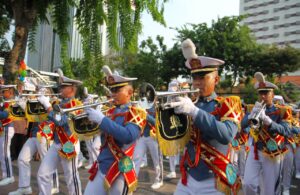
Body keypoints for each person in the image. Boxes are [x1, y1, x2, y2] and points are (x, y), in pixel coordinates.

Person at [171, 39, 242, 194]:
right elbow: (172, 136)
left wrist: (194, 112)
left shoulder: (228, 103)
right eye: (195, 77)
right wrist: (169, 106)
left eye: (203, 77)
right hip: (188, 177)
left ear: (216, 79)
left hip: (214, 180)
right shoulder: (189, 102)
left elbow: (227, 135)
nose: (197, 83)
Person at [84, 65, 147, 195]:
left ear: (130, 92)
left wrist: (101, 120)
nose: (113, 94)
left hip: (120, 169)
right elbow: (91, 133)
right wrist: (87, 117)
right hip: (102, 166)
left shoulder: (136, 112)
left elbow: (128, 136)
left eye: (118, 90)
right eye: (112, 90)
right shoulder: (109, 111)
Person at [242, 72, 292, 195]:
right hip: (255, 150)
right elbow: (242, 125)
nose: (263, 96)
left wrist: (269, 122)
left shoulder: (282, 111)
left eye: (266, 93)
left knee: (270, 190)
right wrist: (251, 115)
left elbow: (286, 131)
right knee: (248, 183)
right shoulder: (252, 108)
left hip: (273, 153)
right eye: (261, 93)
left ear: (272, 94)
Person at [37, 69, 82, 195]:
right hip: (56, 142)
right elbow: (47, 118)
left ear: (72, 89)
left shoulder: (76, 104)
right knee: (43, 174)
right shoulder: (59, 103)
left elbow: (61, 121)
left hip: (69, 143)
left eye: (63, 87)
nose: (60, 89)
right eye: (60, 86)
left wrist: (48, 106)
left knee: (71, 178)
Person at [9, 85, 59, 195]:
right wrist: (23, 105)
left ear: (48, 93)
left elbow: (56, 117)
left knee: (47, 161)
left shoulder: (54, 103)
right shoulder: (36, 103)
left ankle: (54, 185)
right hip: (34, 134)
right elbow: (31, 118)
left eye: (42, 91)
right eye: (38, 91)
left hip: (46, 133)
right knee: (22, 159)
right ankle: (24, 187)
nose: (38, 93)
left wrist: (47, 104)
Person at [133, 104, 163, 189]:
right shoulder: (139, 105)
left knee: (157, 159)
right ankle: (133, 183)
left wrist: (146, 115)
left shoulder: (157, 108)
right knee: (136, 159)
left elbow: (158, 123)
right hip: (142, 136)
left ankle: (158, 180)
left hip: (153, 136)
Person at [0, 84, 17, 186]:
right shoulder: (5, 101)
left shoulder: (11, 102)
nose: (1, 93)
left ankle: (9, 176)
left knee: (5, 153)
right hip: (4, 129)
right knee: (2, 153)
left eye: (3, 91)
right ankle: (6, 175)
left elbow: (5, 115)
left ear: (9, 92)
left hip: (7, 128)